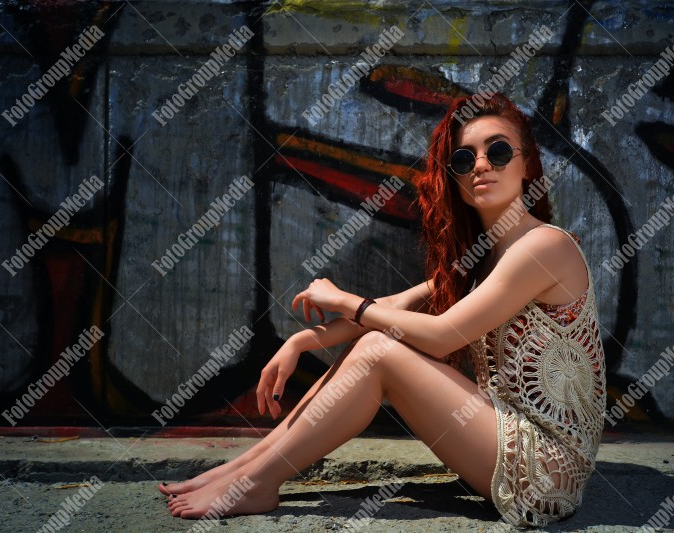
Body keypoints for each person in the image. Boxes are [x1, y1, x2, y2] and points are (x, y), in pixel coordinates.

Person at [161, 92, 606, 527]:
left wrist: (346, 301)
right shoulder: (483, 260)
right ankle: (242, 472)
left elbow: (442, 334)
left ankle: (256, 481)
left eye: (499, 151)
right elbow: (393, 307)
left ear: (527, 164)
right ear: (455, 177)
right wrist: (300, 340)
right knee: (374, 341)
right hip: (504, 436)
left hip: (548, 472)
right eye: (464, 159)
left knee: (378, 349)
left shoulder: (544, 246)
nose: (482, 166)